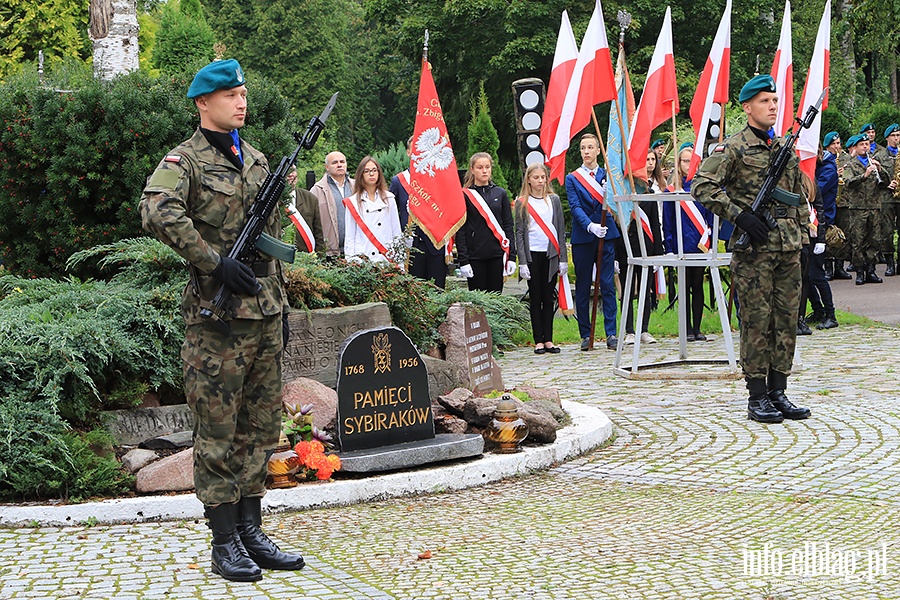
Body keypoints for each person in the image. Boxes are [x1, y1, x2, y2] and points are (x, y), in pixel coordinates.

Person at [140, 59, 305, 582]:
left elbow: (272, 244)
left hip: (262, 312)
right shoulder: (183, 160)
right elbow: (156, 210)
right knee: (216, 432)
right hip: (217, 322)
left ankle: (253, 531)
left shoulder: (256, 159)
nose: (241, 101)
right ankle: (224, 540)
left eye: (244, 93)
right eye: (231, 94)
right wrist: (213, 262)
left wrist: (279, 308)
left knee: (259, 431)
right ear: (202, 103)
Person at [692, 73, 811, 424]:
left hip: (788, 246)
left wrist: (803, 235)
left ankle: (779, 390)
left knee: (786, 321)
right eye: (764, 102)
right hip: (755, 250)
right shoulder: (733, 148)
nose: (772, 106)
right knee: (757, 322)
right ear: (747, 107)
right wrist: (739, 217)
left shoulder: (782, 148)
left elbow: (798, 195)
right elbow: (702, 184)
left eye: (775, 101)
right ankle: (757, 395)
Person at [565, 133, 621, 351]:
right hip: (584, 236)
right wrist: (590, 226)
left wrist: (610, 195)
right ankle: (585, 334)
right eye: (583, 148)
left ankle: (611, 334)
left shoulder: (608, 175)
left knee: (607, 285)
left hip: (606, 235)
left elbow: (617, 205)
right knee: (582, 286)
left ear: (598, 151)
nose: (586, 152)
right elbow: (575, 206)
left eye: (590, 147)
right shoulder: (573, 178)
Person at [514, 163, 567, 354]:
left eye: (543, 177)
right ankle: (538, 340)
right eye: (536, 177)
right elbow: (519, 233)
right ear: (528, 179)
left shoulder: (553, 200)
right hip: (532, 254)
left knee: (548, 296)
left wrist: (563, 259)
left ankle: (549, 339)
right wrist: (523, 261)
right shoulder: (522, 202)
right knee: (535, 297)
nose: (540, 181)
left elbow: (560, 230)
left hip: (550, 254)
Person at [663, 141, 713, 342]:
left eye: (691, 161)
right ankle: (686, 328)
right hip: (681, 243)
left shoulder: (702, 188)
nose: (688, 164)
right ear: (679, 163)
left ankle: (698, 328)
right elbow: (668, 221)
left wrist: (709, 237)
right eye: (685, 161)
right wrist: (669, 246)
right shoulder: (672, 190)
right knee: (683, 287)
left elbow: (709, 216)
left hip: (700, 244)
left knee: (697, 286)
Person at [390, 136, 448, 287]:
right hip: (411, 246)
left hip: (435, 244)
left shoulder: (437, 179)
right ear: (409, 152)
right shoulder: (399, 181)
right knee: (415, 292)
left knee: (437, 290)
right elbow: (392, 213)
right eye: (415, 150)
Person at [455, 152, 515, 293]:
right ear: (472, 170)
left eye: (487, 167)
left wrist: (512, 256)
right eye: (480, 167)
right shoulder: (465, 195)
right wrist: (463, 260)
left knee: (495, 300)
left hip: (496, 255)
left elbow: (508, 225)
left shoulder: (500, 193)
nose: (484, 171)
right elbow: (461, 229)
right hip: (475, 256)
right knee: (478, 305)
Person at [622, 152, 664, 345]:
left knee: (646, 289)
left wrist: (657, 253)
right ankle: (629, 329)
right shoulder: (624, 194)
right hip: (626, 247)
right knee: (628, 290)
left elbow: (655, 225)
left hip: (646, 246)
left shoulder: (650, 194)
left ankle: (644, 329)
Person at [843, 134, 887, 285]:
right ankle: (860, 271)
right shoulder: (851, 164)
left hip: (874, 207)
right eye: (862, 144)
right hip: (858, 208)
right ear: (855, 147)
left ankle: (871, 270)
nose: (865, 147)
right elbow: (848, 182)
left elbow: (886, 182)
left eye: (867, 144)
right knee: (858, 241)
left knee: (875, 239)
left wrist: (880, 170)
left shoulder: (875, 162)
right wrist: (864, 175)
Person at [343, 156, 403, 264]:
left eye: (374, 170)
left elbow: (396, 231)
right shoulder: (352, 202)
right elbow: (350, 237)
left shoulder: (389, 198)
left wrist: (399, 262)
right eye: (367, 171)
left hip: (386, 258)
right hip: (363, 259)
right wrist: (351, 261)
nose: (371, 174)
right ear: (361, 174)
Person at [804, 167, 839, 330]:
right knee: (805, 276)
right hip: (801, 234)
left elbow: (820, 210)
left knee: (817, 275)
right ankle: (818, 310)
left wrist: (821, 238)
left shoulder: (810, 181)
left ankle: (831, 315)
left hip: (814, 233)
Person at [313, 151, 355, 257]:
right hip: (330, 253)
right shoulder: (317, 190)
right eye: (335, 162)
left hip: (356, 250)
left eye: (342, 162)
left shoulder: (356, 187)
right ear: (327, 167)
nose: (339, 165)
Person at [874, 123, 900, 276]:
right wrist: (885, 184)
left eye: (898, 136)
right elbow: (874, 180)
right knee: (887, 231)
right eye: (894, 136)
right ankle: (890, 262)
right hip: (887, 197)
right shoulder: (880, 156)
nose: (896, 138)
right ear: (887, 138)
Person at [286, 165, 325, 256]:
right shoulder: (272, 199)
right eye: (287, 171)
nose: (291, 175)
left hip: (306, 258)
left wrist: (320, 260)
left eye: (293, 171)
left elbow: (319, 233)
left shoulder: (310, 198)